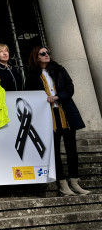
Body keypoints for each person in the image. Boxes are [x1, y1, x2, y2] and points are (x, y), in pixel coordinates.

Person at [24, 46, 89, 196]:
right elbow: (30, 95)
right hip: (48, 115)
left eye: (48, 53)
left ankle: (74, 182)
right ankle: (62, 184)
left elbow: (70, 87)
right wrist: (43, 98)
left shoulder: (59, 69)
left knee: (71, 148)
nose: (47, 55)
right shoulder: (32, 75)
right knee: (55, 151)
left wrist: (58, 96)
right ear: (36, 57)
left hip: (65, 112)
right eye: (43, 53)